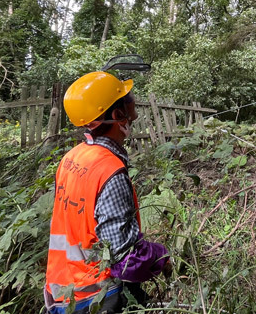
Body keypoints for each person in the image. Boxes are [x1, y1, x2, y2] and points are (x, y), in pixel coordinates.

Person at [44, 71, 172, 314]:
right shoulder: (109, 172)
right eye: (126, 99)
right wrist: (162, 256)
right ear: (118, 115)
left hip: (60, 288)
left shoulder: (72, 157)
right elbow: (126, 260)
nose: (132, 102)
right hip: (95, 296)